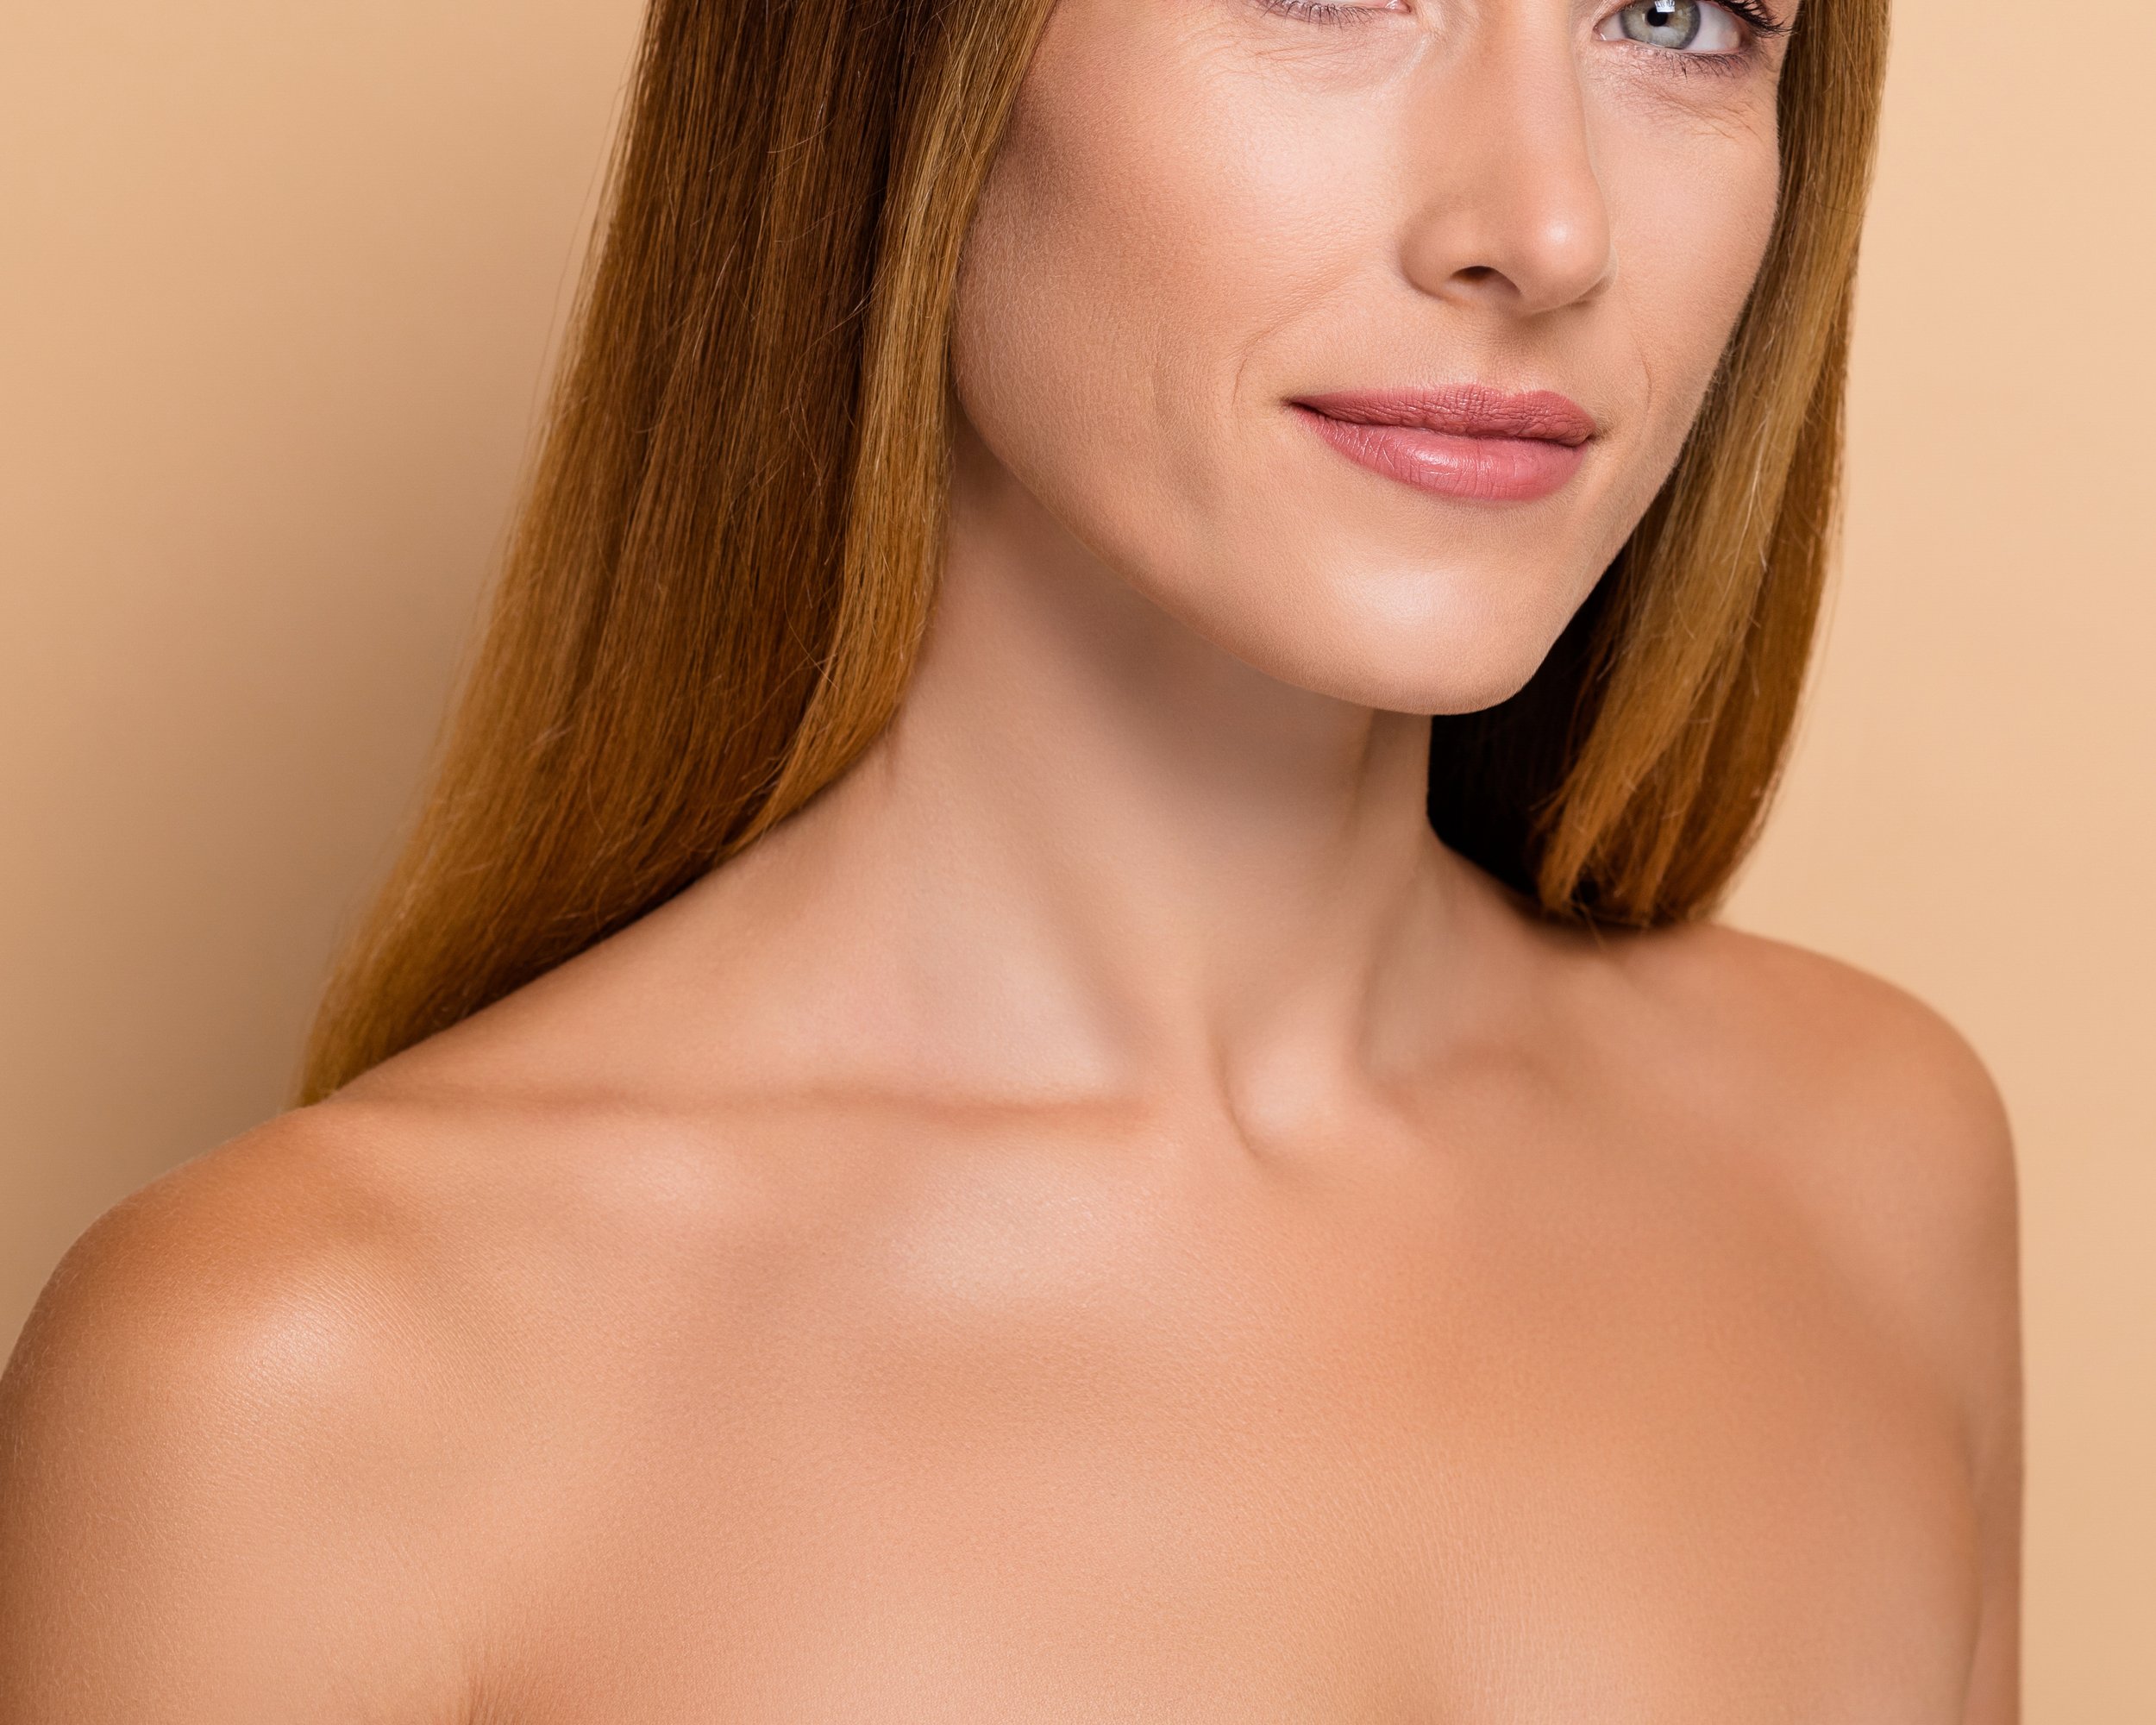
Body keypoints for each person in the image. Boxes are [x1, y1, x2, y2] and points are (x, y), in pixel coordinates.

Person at [0, 0, 2021, 1716]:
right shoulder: (293, 1392)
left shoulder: (1864, 1167)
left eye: (1675, 10)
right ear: (902, 59)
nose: (1544, 225)